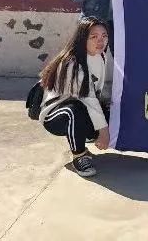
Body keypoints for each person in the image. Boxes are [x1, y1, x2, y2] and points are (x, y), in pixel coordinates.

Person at [38, 17, 110, 177]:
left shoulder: (100, 56)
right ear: (82, 38)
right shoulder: (72, 63)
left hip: (82, 107)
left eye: (104, 36)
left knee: (109, 108)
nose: (100, 41)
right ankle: (79, 155)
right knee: (74, 110)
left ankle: (84, 136)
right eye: (94, 37)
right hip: (56, 115)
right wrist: (103, 130)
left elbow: (95, 95)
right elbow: (88, 98)